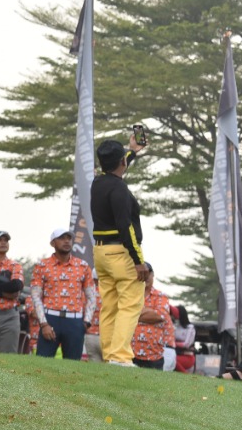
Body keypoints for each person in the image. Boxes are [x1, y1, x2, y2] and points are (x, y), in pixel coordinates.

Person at [90, 135, 148, 367]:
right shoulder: (120, 189)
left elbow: (115, 169)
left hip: (100, 253)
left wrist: (132, 151)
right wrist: (138, 260)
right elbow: (126, 228)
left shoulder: (98, 182)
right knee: (130, 305)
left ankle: (110, 355)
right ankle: (120, 356)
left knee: (110, 306)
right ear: (121, 162)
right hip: (120, 252)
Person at [30, 225, 97, 361]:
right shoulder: (42, 265)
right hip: (50, 318)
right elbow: (36, 296)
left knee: (72, 365)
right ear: (53, 243)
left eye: (69, 238)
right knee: (42, 363)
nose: (66, 241)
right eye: (61, 238)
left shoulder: (83, 266)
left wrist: (86, 322)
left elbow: (91, 297)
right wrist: (44, 323)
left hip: (75, 321)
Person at [130, 264, 173, 369]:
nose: (146, 277)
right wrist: (149, 312)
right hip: (130, 353)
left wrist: (132, 314)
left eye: (148, 274)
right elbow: (121, 314)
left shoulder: (161, 296)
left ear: (153, 275)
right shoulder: (130, 295)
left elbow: (159, 316)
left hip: (154, 356)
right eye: (142, 274)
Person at [171, 305, 196, 374]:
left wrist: (174, 343)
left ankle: (186, 375)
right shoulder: (175, 327)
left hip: (187, 356)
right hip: (175, 353)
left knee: (172, 360)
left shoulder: (190, 328)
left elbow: (186, 344)